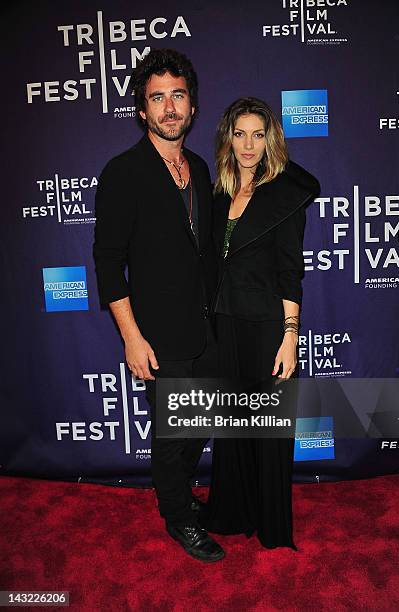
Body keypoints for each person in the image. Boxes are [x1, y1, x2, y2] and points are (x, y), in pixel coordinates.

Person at [93, 48, 224, 563]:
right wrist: (131, 335)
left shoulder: (197, 166)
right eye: (157, 99)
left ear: (192, 105)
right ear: (142, 110)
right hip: (159, 335)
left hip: (206, 329)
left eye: (178, 96)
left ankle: (178, 496)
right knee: (175, 436)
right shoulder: (124, 172)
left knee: (204, 423)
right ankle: (177, 518)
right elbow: (107, 262)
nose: (170, 108)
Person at [200, 97, 320, 549]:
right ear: (227, 137)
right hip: (225, 323)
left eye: (258, 133)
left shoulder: (284, 194)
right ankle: (233, 510)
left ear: (270, 139)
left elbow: (291, 269)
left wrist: (290, 335)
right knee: (233, 424)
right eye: (240, 133)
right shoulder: (218, 193)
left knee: (268, 429)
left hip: (268, 324)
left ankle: (271, 524)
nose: (248, 144)